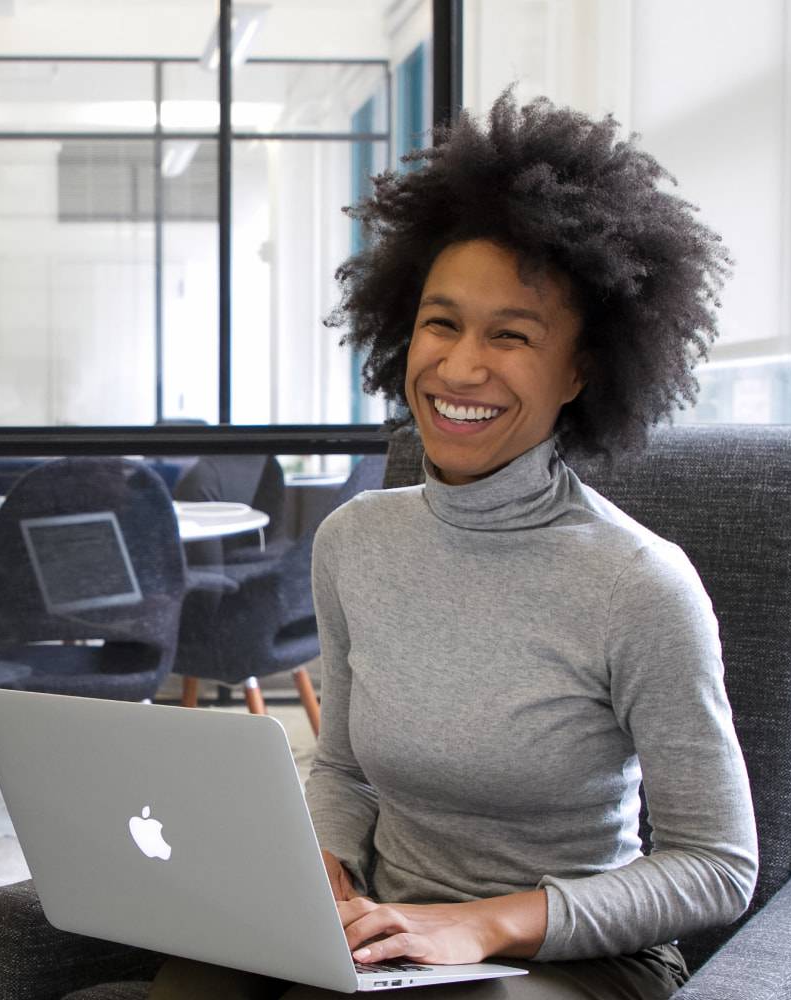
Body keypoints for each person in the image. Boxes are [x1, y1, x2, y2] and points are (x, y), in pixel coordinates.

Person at [141, 90, 758, 999]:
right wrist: (325, 864)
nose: (461, 367)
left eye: (511, 336)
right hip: (389, 930)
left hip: (576, 959)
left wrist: (483, 923)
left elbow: (717, 866)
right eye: (442, 322)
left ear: (581, 371)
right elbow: (345, 767)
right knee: (194, 983)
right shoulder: (355, 542)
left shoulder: (639, 584)